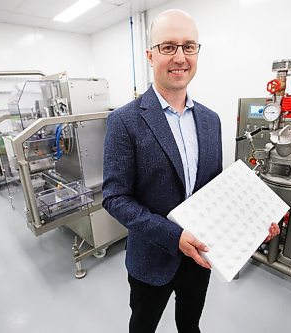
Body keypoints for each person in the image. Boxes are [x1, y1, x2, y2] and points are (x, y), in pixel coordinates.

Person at [102, 9, 279, 333]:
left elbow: (216, 187)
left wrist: (253, 221)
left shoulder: (211, 120)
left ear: (198, 52)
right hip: (151, 259)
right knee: (142, 326)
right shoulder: (124, 121)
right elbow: (115, 198)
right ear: (150, 55)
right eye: (168, 47)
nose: (180, 57)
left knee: (190, 324)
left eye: (189, 46)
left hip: (201, 256)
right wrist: (174, 235)